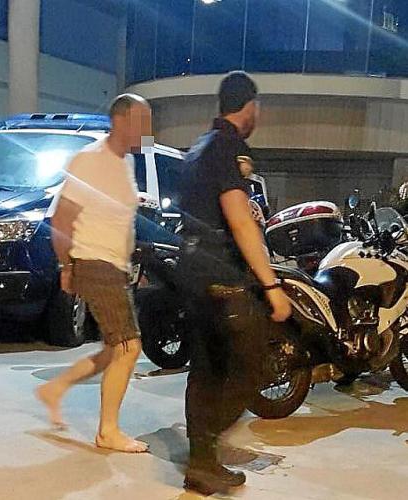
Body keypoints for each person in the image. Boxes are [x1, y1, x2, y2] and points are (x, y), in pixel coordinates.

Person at [175, 72, 292, 495]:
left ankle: (202, 464)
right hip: (222, 277)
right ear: (250, 106)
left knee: (205, 369)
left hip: (192, 274)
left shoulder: (198, 147)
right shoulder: (227, 146)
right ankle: (205, 448)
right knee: (250, 364)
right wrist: (272, 286)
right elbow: (239, 220)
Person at [36, 94, 152, 453]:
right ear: (120, 121)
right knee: (129, 347)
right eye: (143, 121)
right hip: (93, 262)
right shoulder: (89, 159)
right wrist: (66, 266)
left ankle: (54, 389)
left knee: (113, 351)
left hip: (115, 266)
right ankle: (108, 432)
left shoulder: (126, 162)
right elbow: (61, 218)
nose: (148, 129)